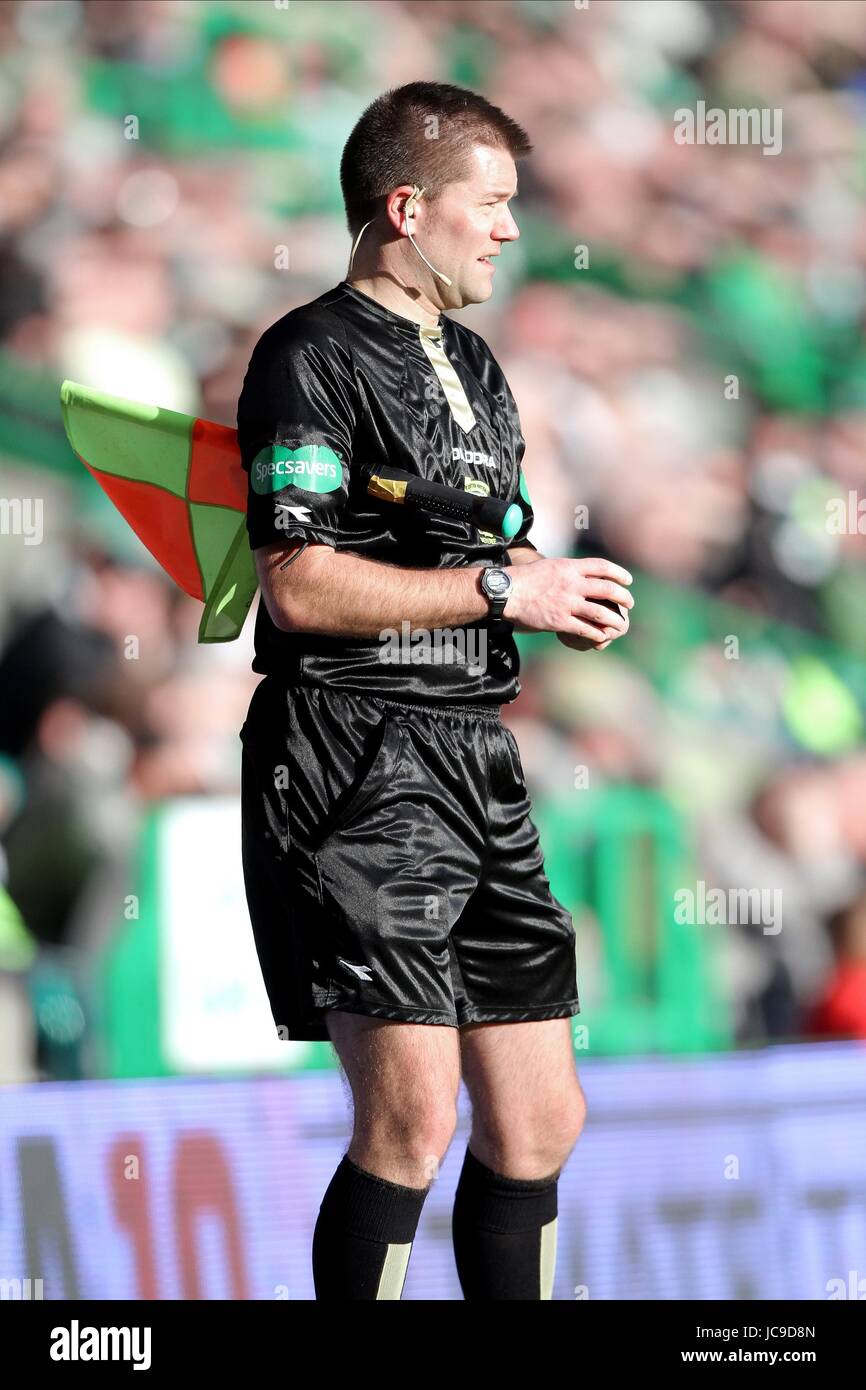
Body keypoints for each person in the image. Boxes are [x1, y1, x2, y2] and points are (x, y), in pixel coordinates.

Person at [236, 81, 633, 1301]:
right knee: (409, 1122)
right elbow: (297, 583)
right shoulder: (305, 355)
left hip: (470, 751)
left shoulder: (472, 359)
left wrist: (543, 590)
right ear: (406, 207)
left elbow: (482, 559)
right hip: (350, 753)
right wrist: (500, 591)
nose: (511, 229)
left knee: (539, 1123)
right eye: (492, 203)